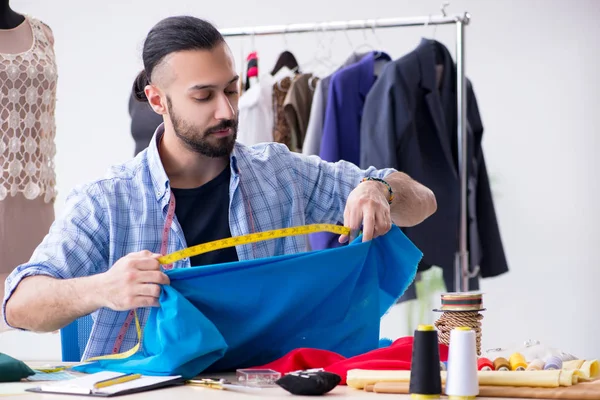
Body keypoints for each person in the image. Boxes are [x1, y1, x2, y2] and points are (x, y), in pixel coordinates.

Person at [2, 16, 437, 359]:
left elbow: (424, 204)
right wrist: (102, 289)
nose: (227, 110)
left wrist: (379, 190)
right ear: (157, 101)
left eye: (232, 89)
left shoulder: (280, 172)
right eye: (203, 96)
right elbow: (18, 304)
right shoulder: (106, 201)